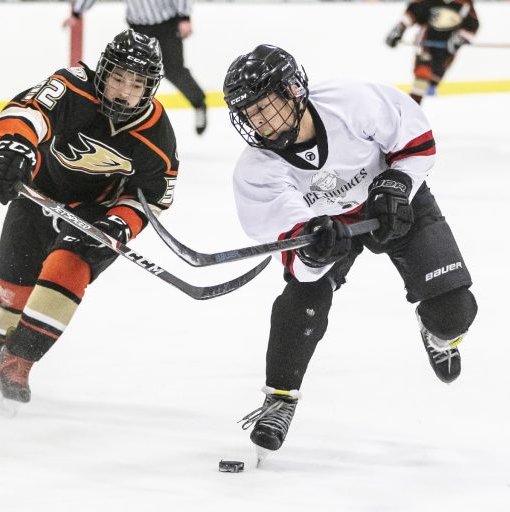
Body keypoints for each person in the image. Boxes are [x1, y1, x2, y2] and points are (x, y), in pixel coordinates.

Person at [224, 45, 478, 457]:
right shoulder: (258, 170)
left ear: (293, 90)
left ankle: (439, 335)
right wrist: (313, 250)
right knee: (303, 299)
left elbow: (416, 146)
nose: (259, 124)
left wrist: (396, 184)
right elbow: (293, 253)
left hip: (394, 205)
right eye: (248, 115)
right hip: (331, 229)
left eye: (264, 108)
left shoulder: (353, 103)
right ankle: (280, 398)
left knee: (455, 313)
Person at [0, 29, 180, 405]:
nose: (123, 90)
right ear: (102, 71)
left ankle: (19, 361)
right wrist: (14, 145)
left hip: (94, 215)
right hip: (40, 193)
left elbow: (154, 197)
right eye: (117, 77)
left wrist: (119, 224)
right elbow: (29, 111)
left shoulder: (158, 134)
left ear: (150, 88)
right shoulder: (72, 87)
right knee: (13, 282)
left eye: (136, 83)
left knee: (67, 270)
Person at [64, 0, 207, 135]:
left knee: (175, 72)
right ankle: (130, 121)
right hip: (138, 27)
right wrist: (77, 12)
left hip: (167, 24)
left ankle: (198, 102)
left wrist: (185, 16)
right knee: (132, 75)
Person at [385, 0, 480, 104]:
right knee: (422, 74)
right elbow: (413, 13)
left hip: (447, 50)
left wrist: (459, 38)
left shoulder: (464, 4)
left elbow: (472, 25)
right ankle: (413, 105)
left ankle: (424, 93)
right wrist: (400, 28)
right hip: (426, 45)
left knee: (434, 80)